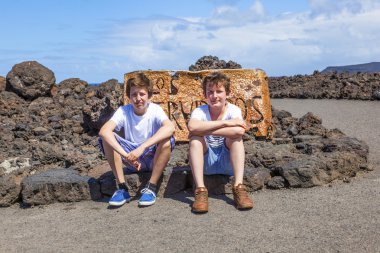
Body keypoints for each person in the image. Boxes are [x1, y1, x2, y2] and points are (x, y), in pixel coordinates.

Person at [98, 73, 175, 207]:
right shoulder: (123, 111)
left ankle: (151, 187)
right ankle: (122, 187)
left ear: (149, 95)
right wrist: (126, 155)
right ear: (129, 96)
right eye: (134, 94)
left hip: (152, 156)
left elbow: (170, 127)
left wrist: (142, 147)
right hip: (131, 158)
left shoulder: (155, 110)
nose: (138, 98)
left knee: (167, 139)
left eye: (142, 94)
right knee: (107, 138)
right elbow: (104, 131)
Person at [188, 72, 254, 213]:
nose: (214, 96)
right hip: (206, 161)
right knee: (195, 140)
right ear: (205, 95)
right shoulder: (200, 111)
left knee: (236, 140)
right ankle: (200, 190)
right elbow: (193, 127)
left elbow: (238, 132)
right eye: (210, 92)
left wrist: (205, 129)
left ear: (227, 93)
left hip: (227, 161)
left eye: (219, 91)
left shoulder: (233, 109)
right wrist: (226, 123)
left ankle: (239, 187)